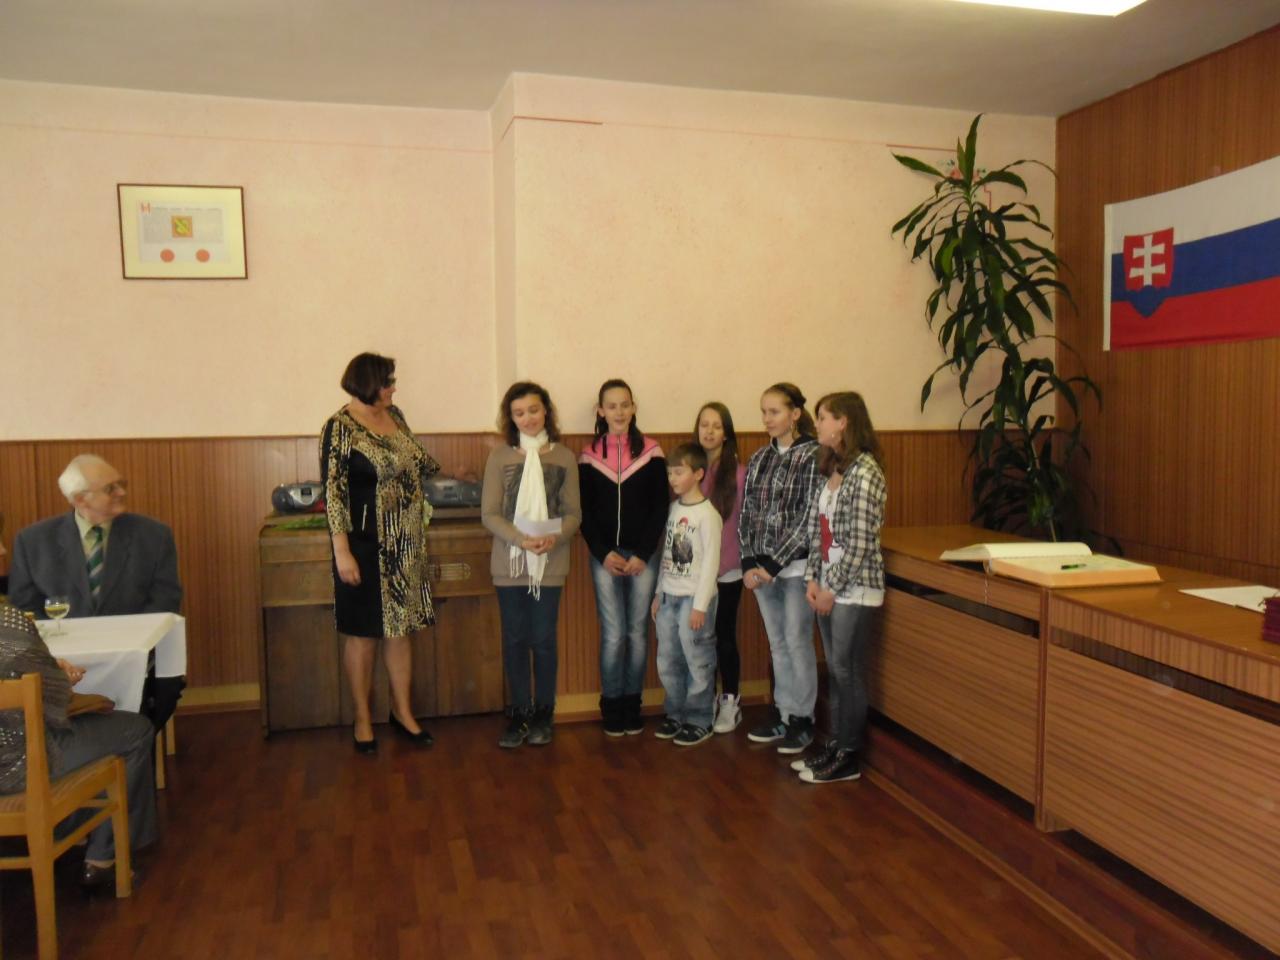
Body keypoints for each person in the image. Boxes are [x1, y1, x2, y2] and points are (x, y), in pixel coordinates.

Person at [8, 454, 186, 729]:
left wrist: (131, 644)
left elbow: (166, 599)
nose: (121, 492)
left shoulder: (153, 535)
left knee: (162, 695)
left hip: (137, 655)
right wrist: (57, 656)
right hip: (59, 663)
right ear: (80, 499)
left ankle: (135, 746)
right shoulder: (33, 541)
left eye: (122, 484)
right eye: (110, 488)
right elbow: (24, 609)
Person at [322, 352, 440, 753]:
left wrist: (456, 474)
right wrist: (342, 552)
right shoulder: (340, 427)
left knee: (400, 632)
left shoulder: (397, 416)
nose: (393, 388)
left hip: (406, 544)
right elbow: (334, 494)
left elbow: (420, 461)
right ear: (367, 384)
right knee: (363, 635)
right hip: (364, 546)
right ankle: (362, 719)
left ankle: (402, 713)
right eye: (387, 382)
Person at [0, 604, 157, 892]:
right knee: (135, 731)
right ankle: (102, 858)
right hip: (18, 765)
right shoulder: (8, 624)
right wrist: (62, 676)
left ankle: (73, 826)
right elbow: (54, 697)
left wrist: (49, 670)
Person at [481, 381, 581, 748]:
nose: (528, 418)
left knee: (543, 640)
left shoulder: (564, 457)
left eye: (534, 410)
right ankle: (520, 713)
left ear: (546, 411)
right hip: (509, 564)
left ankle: (544, 714)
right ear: (510, 418)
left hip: (550, 563)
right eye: (519, 413)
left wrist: (555, 538)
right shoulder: (500, 457)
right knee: (515, 640)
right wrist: (521, 540)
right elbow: (490, 514)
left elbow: (573, 514)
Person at [793, 392, 887, 783]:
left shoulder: (866, 472)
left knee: (847, 671)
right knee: (835, 670)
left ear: (843, 422)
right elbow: (819, 531)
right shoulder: (832, 467)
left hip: (856, 588)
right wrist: (813, 579)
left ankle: (849, 754)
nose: (817, 424)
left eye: (823, 417)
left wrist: (831, 588)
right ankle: (835, 744)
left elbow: (862, 544)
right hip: (830, 585)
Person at [578, 379, 669, 737]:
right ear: (600, 411)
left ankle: (633, 703)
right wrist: (603, 553)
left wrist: (644, 554)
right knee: (614, 634)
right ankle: (612, 703)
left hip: (644, 557)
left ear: (633, 408)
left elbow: (660, 507)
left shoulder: (652, 452)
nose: (619, 411)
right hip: (605, 558)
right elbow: (585, 512)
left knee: (637, 632)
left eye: (625, 404)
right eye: (611, 406)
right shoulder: (589, 456)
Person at [739, 382, 821, 755]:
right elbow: (748, 512)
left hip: (795, 568)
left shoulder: (814, 456)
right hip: (761, 570)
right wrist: (749, 561)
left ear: (795, 414)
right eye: (764, 412)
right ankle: (784, 712)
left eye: (774, 412)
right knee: (777, 642)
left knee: (796, 640)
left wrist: (774, 563)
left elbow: (808, 518)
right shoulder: (760, 458)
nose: (767, 419)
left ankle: (803, 718)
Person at [651, 443, 722, 747]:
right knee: (668, 659)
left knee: (697, 659)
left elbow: (710, 564)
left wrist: (700, 606)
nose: (673, 479)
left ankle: (700, 718)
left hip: (695, 599)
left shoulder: (708, 515)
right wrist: (658, 593)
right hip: (669, 596)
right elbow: (666, 556)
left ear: (698, 474)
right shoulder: (673, 509)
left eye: (679, 472)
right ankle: (676, 713)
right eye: (670, 473)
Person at [693, 402, 747, 734]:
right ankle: (705, 699)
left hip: (728, 570)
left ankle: (730, 700)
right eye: (704, 425)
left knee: (723, 635)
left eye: (716, 426)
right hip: (694, 574)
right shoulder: (690, 469)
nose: (709, 431)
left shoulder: (739, 473)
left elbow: (738, 526)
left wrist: (719, 566)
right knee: (700, 639)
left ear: (726, 433)